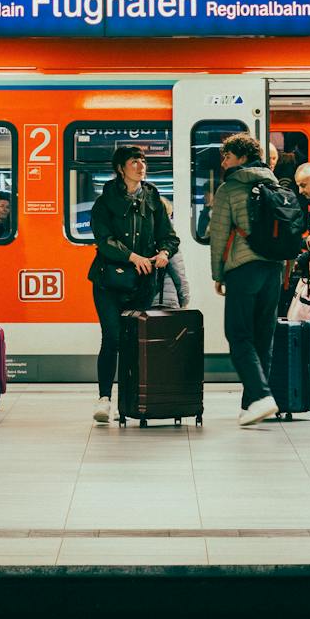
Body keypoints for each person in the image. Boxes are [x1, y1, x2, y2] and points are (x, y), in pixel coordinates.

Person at [87, 144, 178, 424]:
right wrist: (132, 256)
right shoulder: (105, 202)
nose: (141, 165)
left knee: (135, 343)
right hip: (108, 282)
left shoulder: (152, 196)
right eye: (133, 161)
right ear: (120, 168)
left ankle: (133, 398)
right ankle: (104, 399)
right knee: (112, 338)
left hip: (142, 283)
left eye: (142, 160)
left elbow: (169, 236)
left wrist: (164, 253)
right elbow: (103, 240)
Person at [207, 132, 281, 426]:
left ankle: (262, 395)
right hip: (273, 270)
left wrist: (218, 273)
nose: (223, 162)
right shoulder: (273, 184)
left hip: (243, 268)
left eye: (227, 155)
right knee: (264, 337)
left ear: (241, 157)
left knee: (238, 336)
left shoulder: (230, 188)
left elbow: (219, 234)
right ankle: (251, 404)